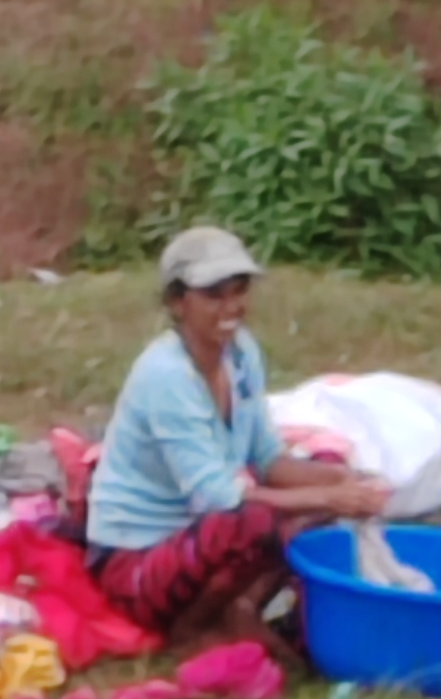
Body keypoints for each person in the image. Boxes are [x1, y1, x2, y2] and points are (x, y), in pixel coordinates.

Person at [83, 226, 386, 644]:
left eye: (238, 290)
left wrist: (345, 483)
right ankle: (193, 626)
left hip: (199, 532)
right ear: (177, 301)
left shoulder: (241, 353)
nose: (231, 306)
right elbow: (217, 496)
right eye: (213, 295)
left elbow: (267, 459)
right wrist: (328, 497)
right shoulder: (166, 375)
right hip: (136, 561)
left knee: (330, 470)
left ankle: (242, 606)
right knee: (257, 520)